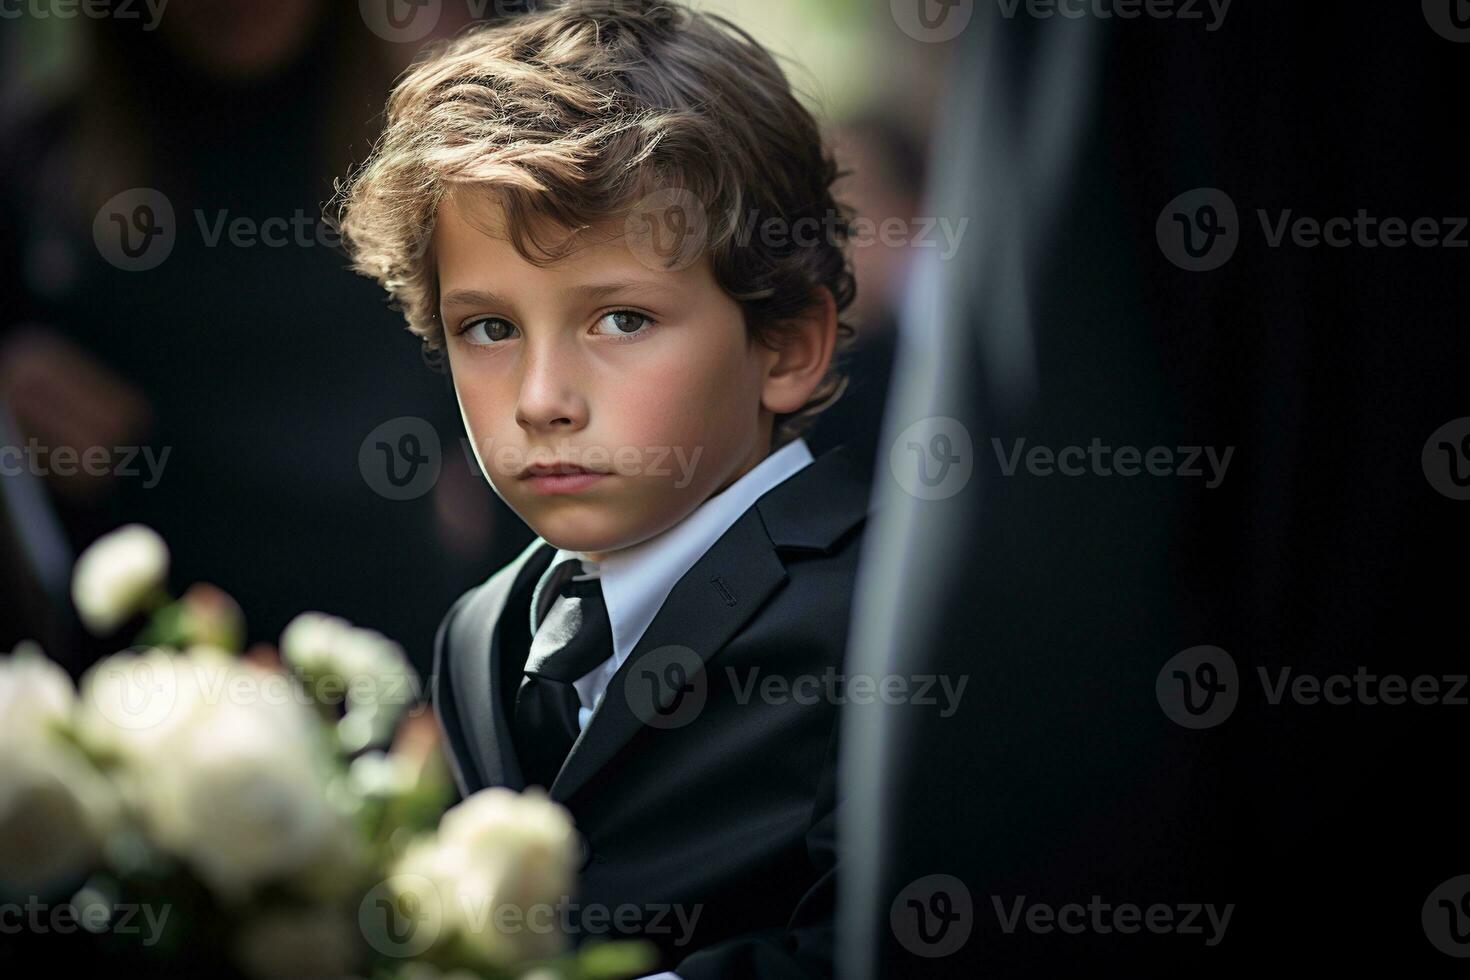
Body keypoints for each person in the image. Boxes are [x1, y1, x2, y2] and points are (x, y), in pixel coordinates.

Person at [333, 2, 870, 976]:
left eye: (621, 319)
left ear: (786, 344)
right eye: (489, 329)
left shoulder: (880, 615)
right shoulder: (481, 632)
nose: (542, 400)